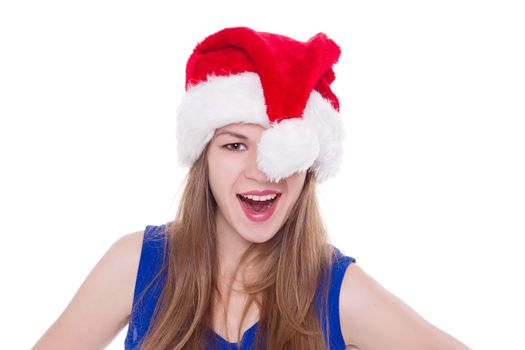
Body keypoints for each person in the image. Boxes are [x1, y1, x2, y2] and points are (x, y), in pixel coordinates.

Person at [32, 27, 470, 350]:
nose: (262, 171)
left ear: (307, 161)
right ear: (204, 156)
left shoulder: (338, 292)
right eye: (235, 144)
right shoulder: (137, 266)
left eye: (278, 145)